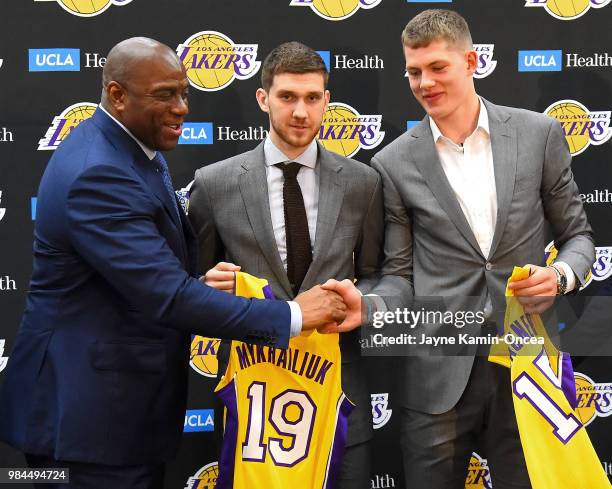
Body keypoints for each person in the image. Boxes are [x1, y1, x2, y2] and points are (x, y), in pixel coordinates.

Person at [0, 37, 356, 489]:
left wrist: (197, 282)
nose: (182, 108)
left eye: (185, 93)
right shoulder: (98, 172)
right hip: (84, 425)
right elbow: (167, 297)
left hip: (110, 417)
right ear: (117, 95)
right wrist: (295, 315)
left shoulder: (130, 148)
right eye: (165, 95)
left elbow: (142, 276)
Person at [371, 10, 595, 488]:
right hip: (435, 373)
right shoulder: (390, 162)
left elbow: (579, 238)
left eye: (437, 68)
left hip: (527, 364)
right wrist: (370, 307)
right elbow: (398, 273)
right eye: (414, 72)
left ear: (471, 61)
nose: (424, 83)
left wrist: (559, 278)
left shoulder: (539, 135)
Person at [188, 41, 403, 489]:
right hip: (252, 406)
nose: (301, 111)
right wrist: (206, 286)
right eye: (287, 97)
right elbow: (189, 287)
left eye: (312, 98)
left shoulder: (363, 183)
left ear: (327, 100)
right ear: (263, 98)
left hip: (340, 400)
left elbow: (381, 273)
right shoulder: (214, 184)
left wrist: (362, 301)